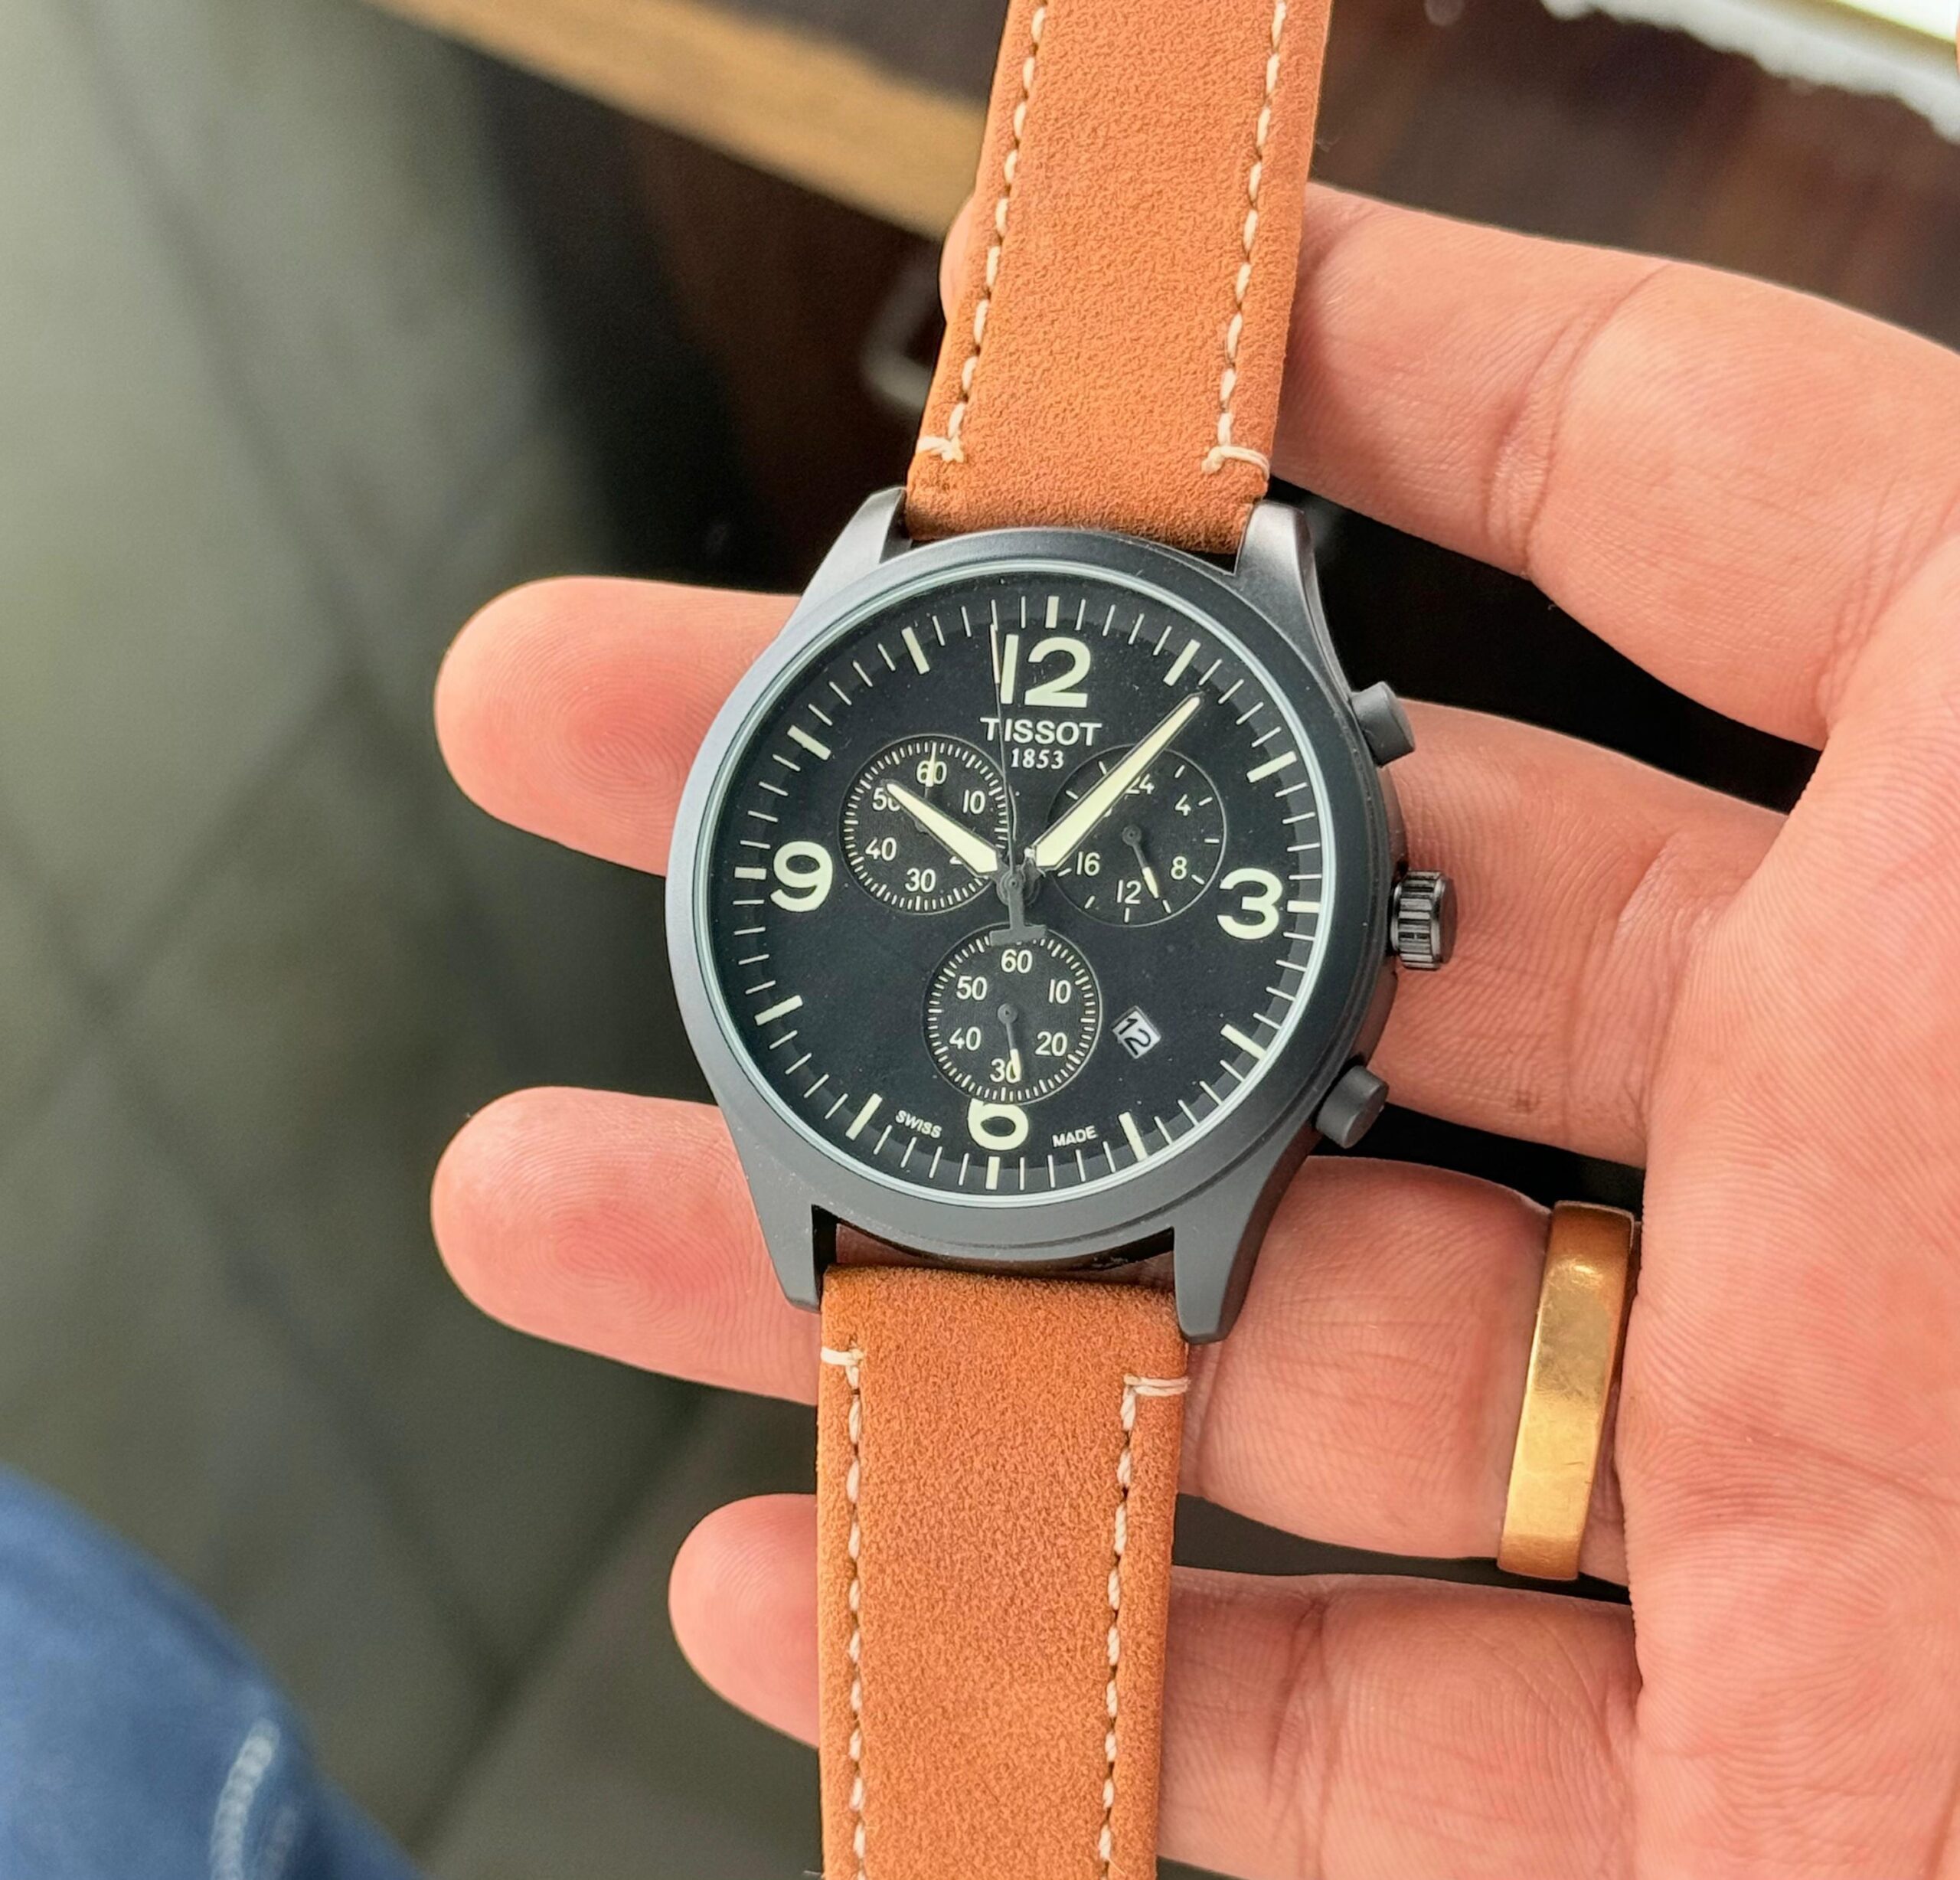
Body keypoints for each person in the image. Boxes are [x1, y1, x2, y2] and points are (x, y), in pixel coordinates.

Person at [8, 188, 1958, 1878]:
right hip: (897, 1153)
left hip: (1135, 1171)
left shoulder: (1236, 661)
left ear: (1386, 916)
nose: (1013, 874)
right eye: (962, 844)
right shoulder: (887, 604)